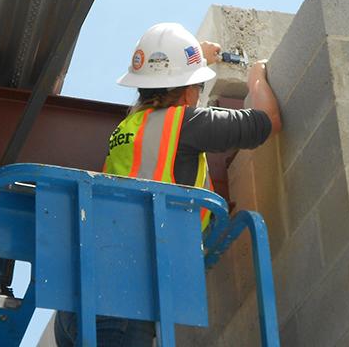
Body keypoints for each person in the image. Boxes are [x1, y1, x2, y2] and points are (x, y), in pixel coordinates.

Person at [54, 22, 281, 347]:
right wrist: (257, 75)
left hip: (79, 293)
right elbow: (269, 120)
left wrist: (196, 60)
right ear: (189, 90)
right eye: (198, 88)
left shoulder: (128, 126)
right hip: (122, 296)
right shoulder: (187, 123)